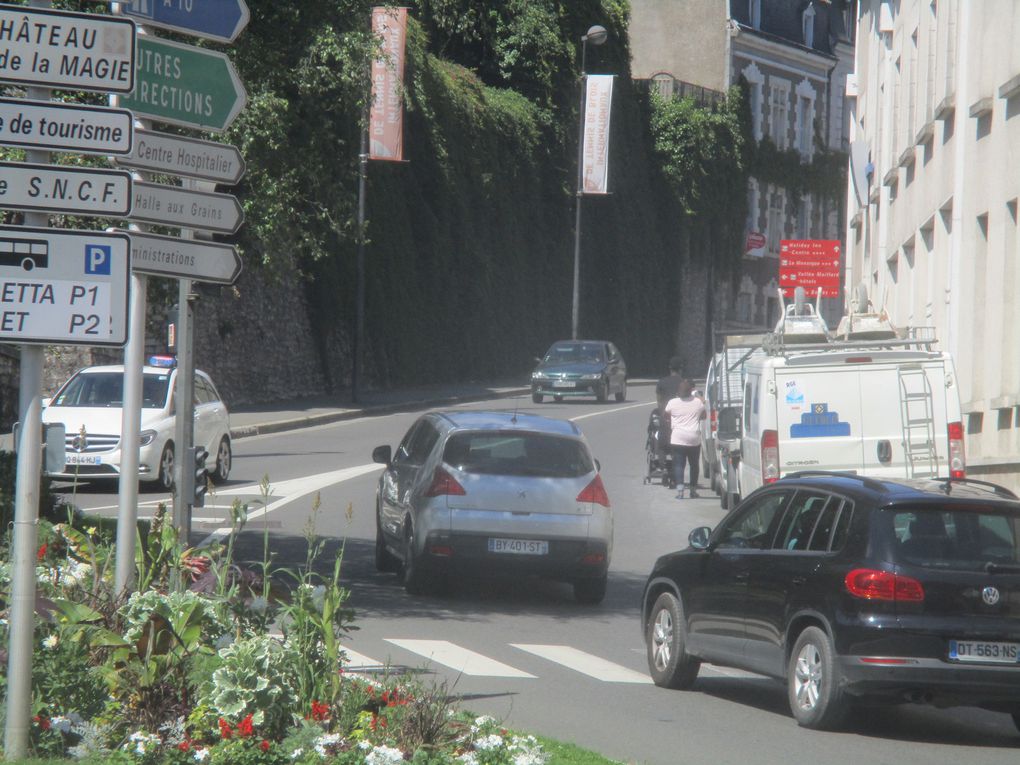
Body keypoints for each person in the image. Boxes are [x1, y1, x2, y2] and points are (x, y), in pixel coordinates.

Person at [664, 378, 706, 498]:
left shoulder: (672, 402)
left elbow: (666, 415)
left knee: (678, 465)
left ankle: (680, 491)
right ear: (691, 391)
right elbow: (704, 416)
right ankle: (693, 491)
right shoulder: (697, 402)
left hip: (678, 438)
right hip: (694, 437)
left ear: (678, 392)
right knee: (694, 464)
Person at [654, 357, 685, 487]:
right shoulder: (684, 383)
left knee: (661, 446)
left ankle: (664, 469)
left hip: (665, 418)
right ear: (681, 369)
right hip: (679, 421)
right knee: (677, 448)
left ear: (670, 368)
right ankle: (675, 473)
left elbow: (659, 401)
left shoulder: (661, 382)